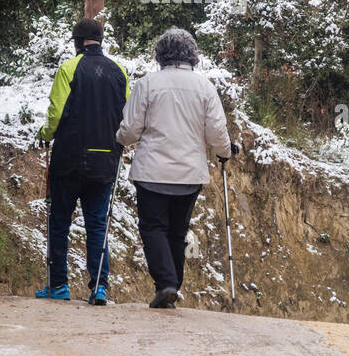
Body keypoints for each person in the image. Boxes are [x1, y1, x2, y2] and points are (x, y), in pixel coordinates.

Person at [116, 27, 234, 308]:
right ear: (192, 55)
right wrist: (225, 153)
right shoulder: (204, 87)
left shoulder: (147, 84)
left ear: (160, 54)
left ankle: (166, 283)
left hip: (151, 172)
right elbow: (216, 131)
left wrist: (119, 139)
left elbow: (131, 130)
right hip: (189, 174)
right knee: (177, 232)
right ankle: (171, 287)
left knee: (153, 227)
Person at [36, 18, 129, 305]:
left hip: (70, 158)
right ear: (101, 40)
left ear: (77, 42)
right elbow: (126, 115)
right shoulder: (119, 71)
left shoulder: (69, 68)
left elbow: (56, 113)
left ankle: (59, 285)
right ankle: (99, 286)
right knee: (98, 223)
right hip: (104, 162)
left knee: (60, 220)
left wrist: (44, 134)